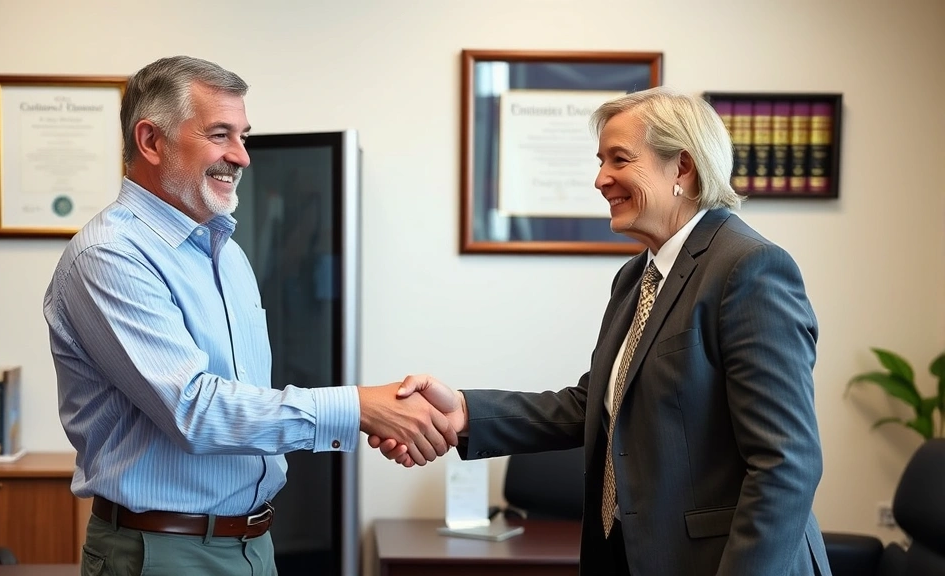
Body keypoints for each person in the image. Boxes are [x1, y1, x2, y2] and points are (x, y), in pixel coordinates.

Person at [372, 87, 833, 576]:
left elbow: (787, 464)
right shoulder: (637, 276)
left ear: (682, 168)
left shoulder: (749, 268)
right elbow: (592, 406)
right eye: (600, 160)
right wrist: (463, 412)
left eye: (619, 159)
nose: (600, 179)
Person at [43, 55, 454, 576]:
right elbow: (195, 410)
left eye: (243, 135)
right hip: (164, 552)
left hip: (252, 543)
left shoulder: (226, 251)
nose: (242, 156)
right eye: (220, 135)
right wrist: (358, 408)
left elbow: (245, 401)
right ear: (150, 141)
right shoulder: (109, 255)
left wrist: (381, 412)